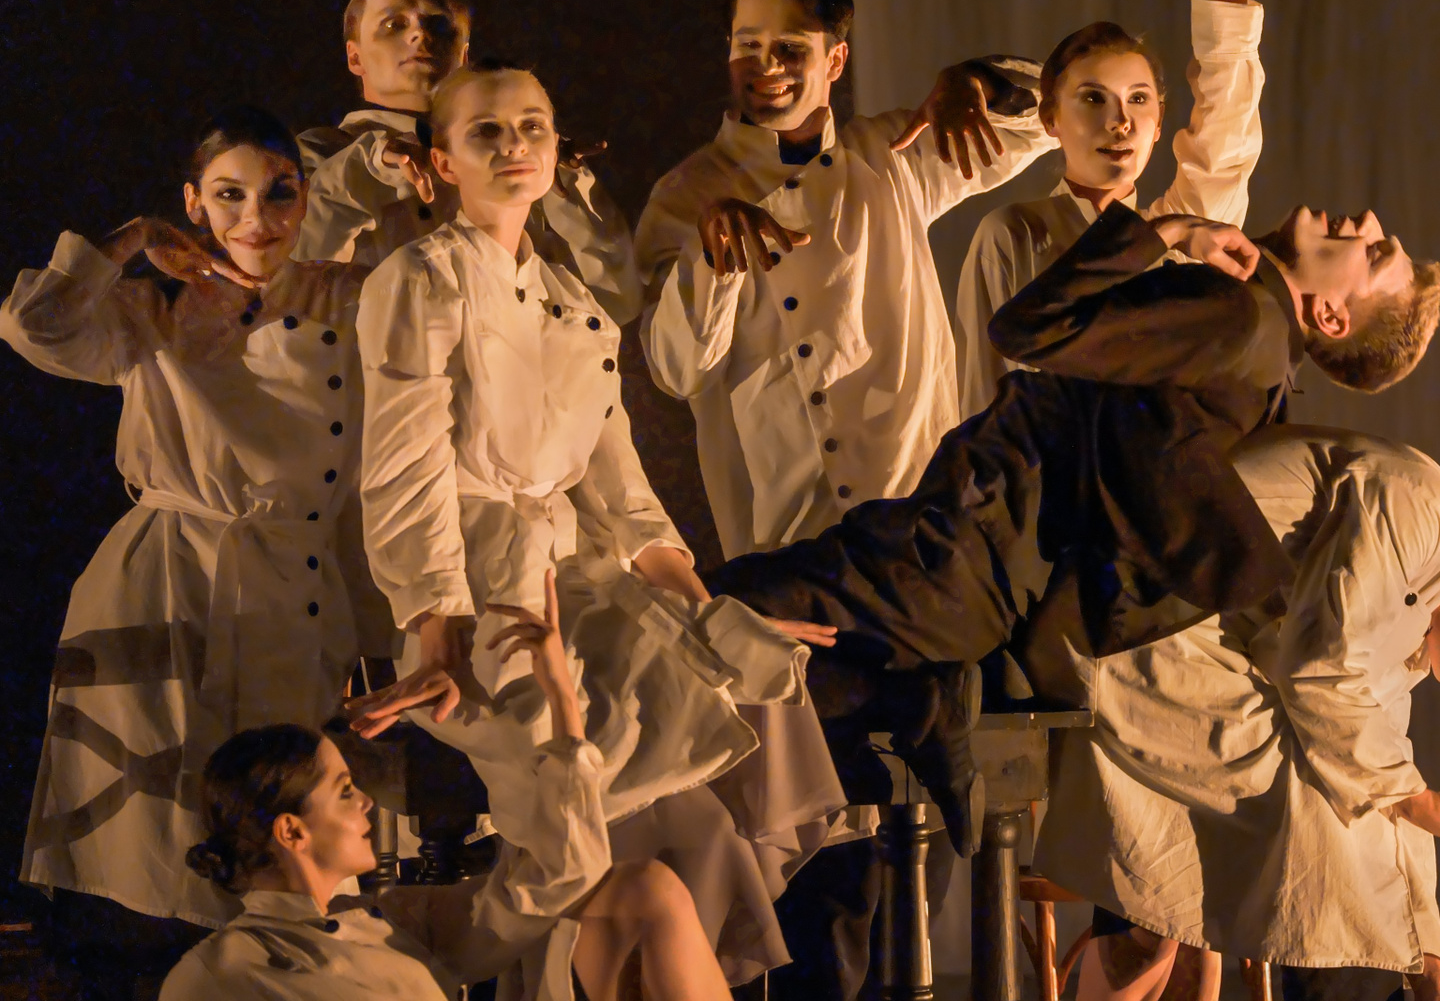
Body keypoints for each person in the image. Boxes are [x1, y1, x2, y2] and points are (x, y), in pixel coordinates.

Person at [708, 197, 1440, 846]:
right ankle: (910, 703)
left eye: (1376, 252)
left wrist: (1164, 231)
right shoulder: (1265, 365)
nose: (1367, 222)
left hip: (949, 556)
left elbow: (1027, 328)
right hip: (982, 592)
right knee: (751, 682)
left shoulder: (1239, 318)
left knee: (689, 622)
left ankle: (914, 704)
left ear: (1330, 315)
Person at [346, 60, 849, 987]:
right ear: (443, 162)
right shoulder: (419, 279)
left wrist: (702, 609)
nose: (515, 146)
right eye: (487, 132)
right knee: (601, 811)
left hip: (579, 586)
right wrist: (437, 629)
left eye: (532, 127)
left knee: (714, 786)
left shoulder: (574, 301)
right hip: (481, 596)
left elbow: (620, 487)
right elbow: (406, 466)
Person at [1034, 426, 1440, 1001]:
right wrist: (1425, 807)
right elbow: (1319, 676)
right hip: (1124, 617)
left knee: (1353, 783)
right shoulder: (1421, 509)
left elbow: (1382, 767)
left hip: (1162, 632)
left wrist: (1429, 960)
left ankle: (1406, 981)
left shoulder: (1413, 623)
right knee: (1314, 784)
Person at [1, 107, 380, 927]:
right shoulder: (154, 308)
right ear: (194, 203)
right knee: (161, 831)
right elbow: (35, 325)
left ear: (305, 199)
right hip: (170, 580)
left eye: (279, 193)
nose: (256, 218)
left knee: (289, 817)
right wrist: (135, 238)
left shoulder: (344, 294)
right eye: (229, 194)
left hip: (295, 578)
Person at [634, 0, 1058, 562]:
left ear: (835, 60)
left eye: (789, 47)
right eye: (748, 44)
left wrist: (978, 83)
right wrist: (712, 259)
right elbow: (677, 373)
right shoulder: (685, 196)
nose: (766, 65)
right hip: (782, 545)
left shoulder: (892, 154)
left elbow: (1051, 116)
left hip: (921, 522)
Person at [159, 572, 735, 1000]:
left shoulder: (397, 923)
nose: (366, 803)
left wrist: (561, 696)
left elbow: (560, 876)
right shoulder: (225, 972)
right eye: (344, 790)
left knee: (647, 886)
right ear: (292, 831)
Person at [955, 0, 1323, 419]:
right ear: (1050, 120)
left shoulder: (1188, 229)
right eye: (1092, 98)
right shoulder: (1015, 234)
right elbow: (983, 398)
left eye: (1138, 100)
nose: (1119, 122)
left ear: (1159, 122)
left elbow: (1229, 80)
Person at [292, 0, 643, 322]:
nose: (420, 34)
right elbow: (296, 285)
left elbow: (610, 306)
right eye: (394, 24)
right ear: (355, 56)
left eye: (439, 25)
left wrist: (562, 182)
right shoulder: (318, 154)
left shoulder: (514, 162)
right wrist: (366, 170)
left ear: (463, 53)